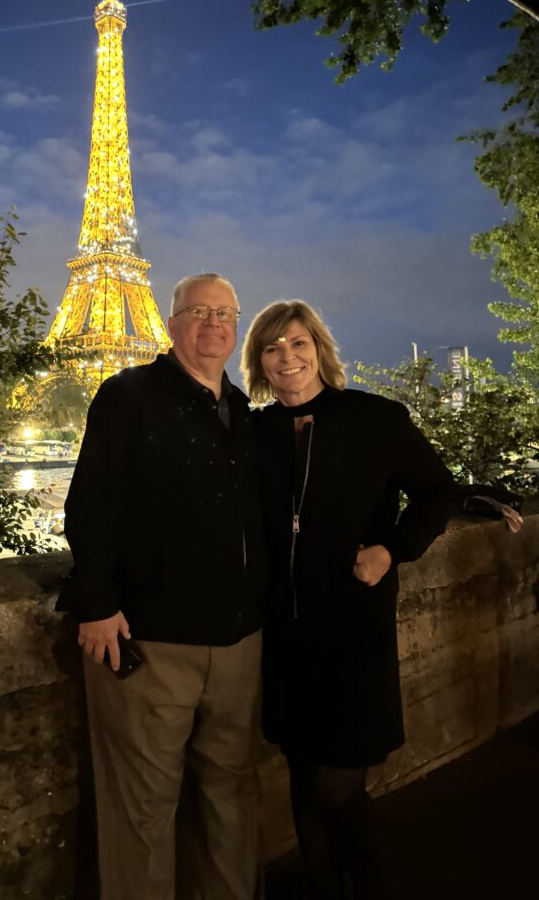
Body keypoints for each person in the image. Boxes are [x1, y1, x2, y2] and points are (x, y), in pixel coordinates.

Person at [57, 273, 268, 900]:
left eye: (225, 312)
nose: (213, 323)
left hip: (237, 644)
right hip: (151, 642)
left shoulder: (243, 414)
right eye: (198, 311)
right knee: (141, 810)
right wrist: (96, 604)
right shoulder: (129, 395)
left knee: (232, 796)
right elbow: (90, 504)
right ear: (169, 321)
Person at [241, 299, 457, 900]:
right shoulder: (253, 432)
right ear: (259, 362)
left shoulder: (375, 419)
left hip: (350, 634)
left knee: (339, 787)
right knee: (303, 778)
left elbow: (439, 493)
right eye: (272, 347)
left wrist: (392, 548)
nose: (288, 357)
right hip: (282, 635)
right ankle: (321, 887)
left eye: (298, 343)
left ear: (320, 350)